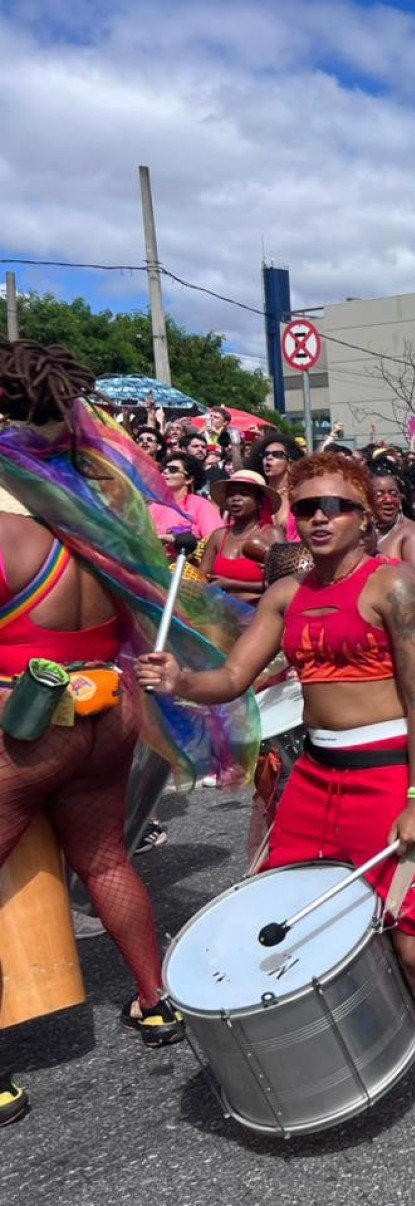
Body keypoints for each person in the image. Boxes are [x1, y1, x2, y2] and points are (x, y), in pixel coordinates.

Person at [136, 452, 415, 1146]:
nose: (319, 519)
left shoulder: (395, 587)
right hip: (316, 779)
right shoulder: (287, 594)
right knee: (282, 917)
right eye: (306, 509)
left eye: (335, 507)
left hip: (390, 775)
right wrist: (178, 681)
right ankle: (334, 1048)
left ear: (363, 517)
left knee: (414, 943)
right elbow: (233, 677)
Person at [0, 341, 195, 1125]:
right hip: (109, 711)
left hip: (26, 718)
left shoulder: (8, 521)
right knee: (107, 856)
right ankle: (156, 1001)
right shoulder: (102, 507)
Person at [200, 470, 284, 603]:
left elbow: (283, 583)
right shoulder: (218, 536)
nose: (236, 498)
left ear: (259, 501)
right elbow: (202, 580)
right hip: (220, 613)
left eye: (244, 494)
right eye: (231, 494)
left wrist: (231, 584)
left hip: (259, 614)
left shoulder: (272, 534)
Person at [150, 451, 223, 551]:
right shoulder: (153, 505)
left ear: (189, 479)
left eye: (173, 469)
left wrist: (177, 541)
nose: (165, 472)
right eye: (163, 469)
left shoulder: (201, 505)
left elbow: (216, 543)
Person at [369, 462, 415, 565]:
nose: (388, 500)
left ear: (400, 498)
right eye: (379, 495)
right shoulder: (362, 532)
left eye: (394, 494)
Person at [247, 430, 303, 537]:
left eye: (277, 454)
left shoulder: (299, 494)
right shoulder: (258, 497)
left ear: (289, 462)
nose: (269, 457)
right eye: (265, 454)